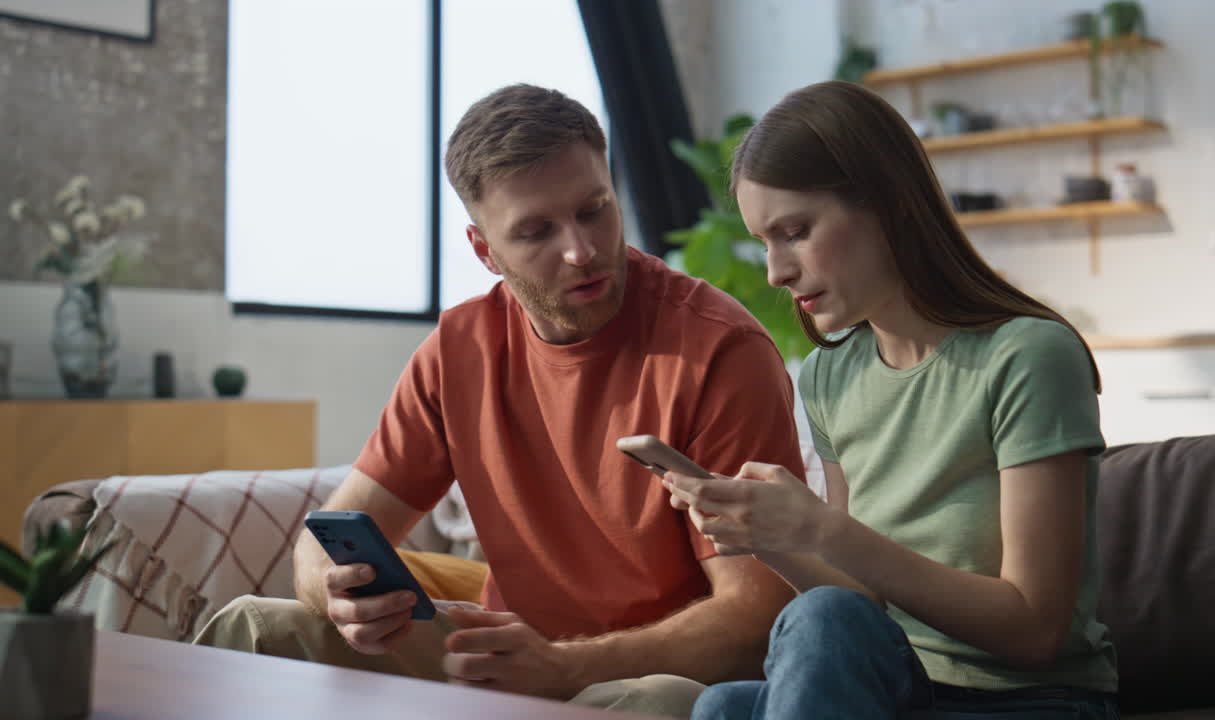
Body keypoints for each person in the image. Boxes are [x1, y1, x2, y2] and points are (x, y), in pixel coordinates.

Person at [193, 84, 804, 718]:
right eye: (537, 230)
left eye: (594, 209)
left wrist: (562, 666)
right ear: (485, 250)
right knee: (253, 627)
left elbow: (757, 616)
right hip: (499, 665)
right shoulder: (459, 349)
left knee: (665, 703)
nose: (581, 250)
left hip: (641, 673)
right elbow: (325, 537)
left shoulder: (718, 351)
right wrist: (336, 593)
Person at [660, 80, 1119, 719]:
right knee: (720, 706)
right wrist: (767, 538)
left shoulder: (1026, 357)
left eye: (795, 231)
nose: (776, 272)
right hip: (903, 689)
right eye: (766, 242)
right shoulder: (828, 378)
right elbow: (863, 602)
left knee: (814, 626)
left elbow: (1036, 630)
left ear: (890, 204)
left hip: (1027, 700)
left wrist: (822, 528)